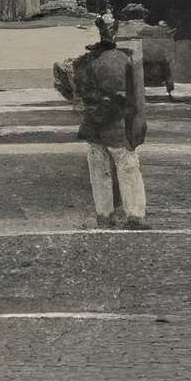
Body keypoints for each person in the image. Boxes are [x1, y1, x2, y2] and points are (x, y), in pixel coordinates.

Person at [75, 15, 150, 229]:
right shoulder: (127, 60)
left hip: (94, 122)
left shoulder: (84, 63)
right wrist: (139, 121)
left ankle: (104, 214)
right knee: (128, 167)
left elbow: (77, 94)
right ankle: (134, 214)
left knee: (100, 170)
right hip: (118, 123)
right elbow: (136, 97)